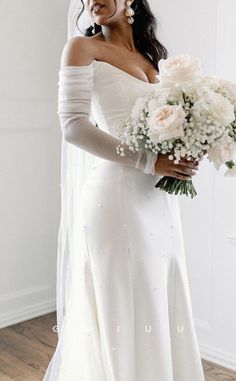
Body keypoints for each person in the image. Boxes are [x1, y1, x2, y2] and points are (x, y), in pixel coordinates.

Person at [43, 0, 205, 380]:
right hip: (115, 199)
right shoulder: (82, 48)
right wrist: (150, 162)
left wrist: (182, 156)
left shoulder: (152, 56)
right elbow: (73, 126)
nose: (91, 0)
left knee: (157, 301)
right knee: (125, 306)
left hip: (158, 201)